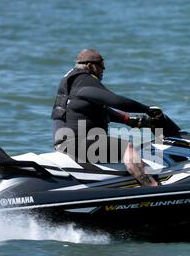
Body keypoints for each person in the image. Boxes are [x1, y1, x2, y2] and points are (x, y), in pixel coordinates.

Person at [51, 48, 162, 186]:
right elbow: (116, 101)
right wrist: (146, 109)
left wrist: (130, 120)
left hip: (64, 143)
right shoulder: (85, 79)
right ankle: (151, 188)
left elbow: (100, 110)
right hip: (77, 143)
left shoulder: (72, 80)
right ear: (90, 66)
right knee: (128, 148)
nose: (103, 71)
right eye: (101, 67)